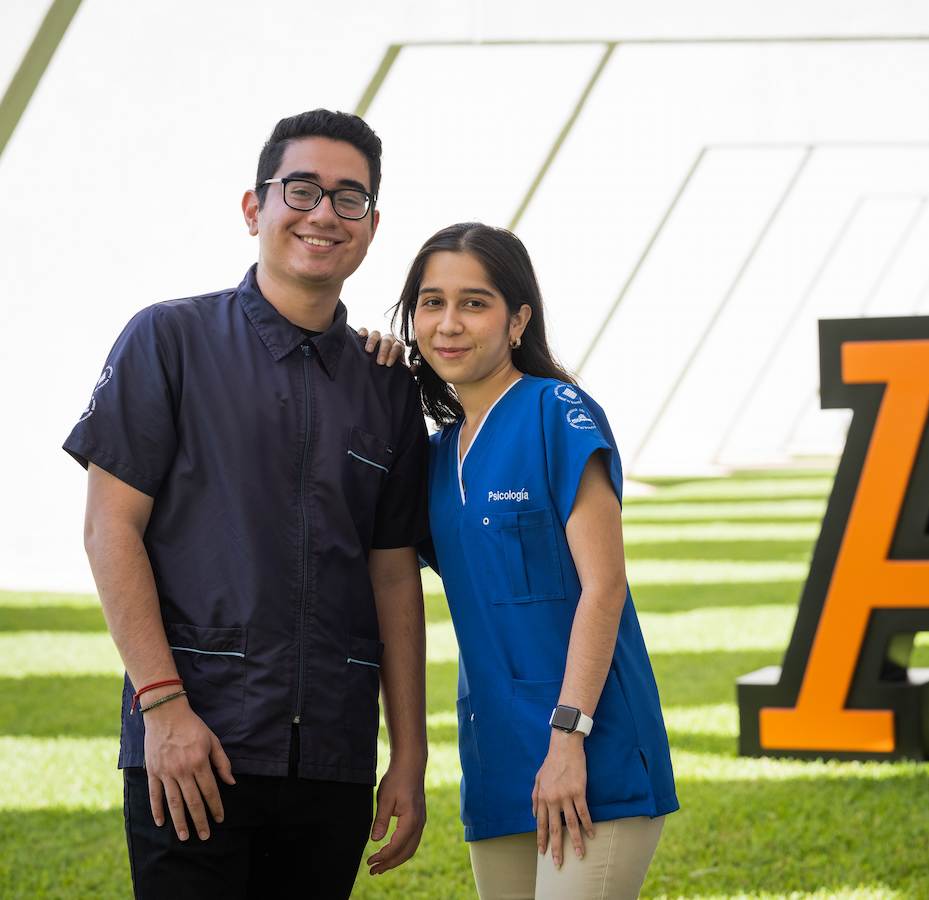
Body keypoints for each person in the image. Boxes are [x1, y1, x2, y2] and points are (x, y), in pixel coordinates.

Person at [63, 109, 429, 899]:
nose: (324, 213)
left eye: (350, 197)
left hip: (332, 754)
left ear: (371, 226)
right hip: (195, 746)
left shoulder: (388, 386)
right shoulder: (167, 341)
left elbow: (395, 577)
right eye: (302, 189)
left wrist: (409, 757)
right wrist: (162, 709)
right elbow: (108, 529)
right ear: (253, 208)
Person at [364, 222, 678, 899]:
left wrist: (568, 740)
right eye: (431, 302)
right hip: (496, 757)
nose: (449, 323)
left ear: (518, 320)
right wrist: (366, 366)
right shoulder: (436, 459)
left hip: (591, 753)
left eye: (474, 303)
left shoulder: (554, 412)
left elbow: (605, 586)